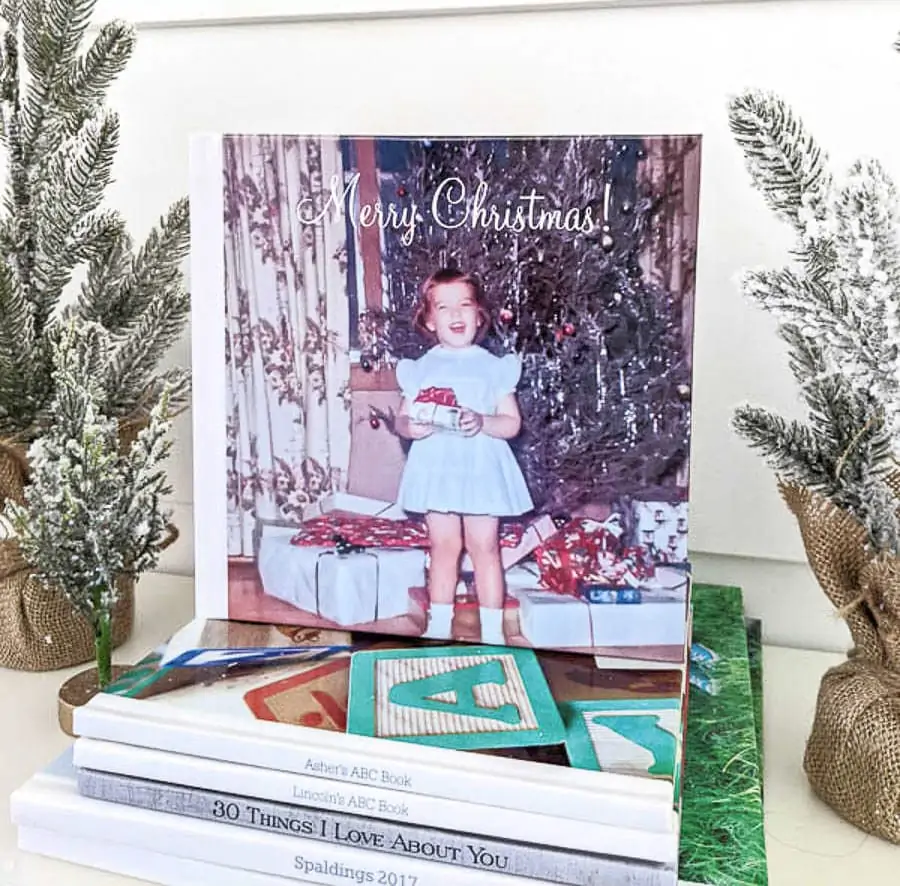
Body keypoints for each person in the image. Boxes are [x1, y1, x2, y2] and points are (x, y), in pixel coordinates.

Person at [394, 268, 533, 644]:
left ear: (479, 315)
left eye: (464, 306)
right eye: (444, 307)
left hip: (480, 471)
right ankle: (438, 624)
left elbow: (511, 424)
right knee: (443, 546)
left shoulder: (493, 367)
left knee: (485, 546)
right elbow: (403, 420)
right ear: (429, 319)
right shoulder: (422, 368)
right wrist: (411, 427)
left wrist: (484, 420)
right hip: (437, 468)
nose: (456, 316)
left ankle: (492, 630)